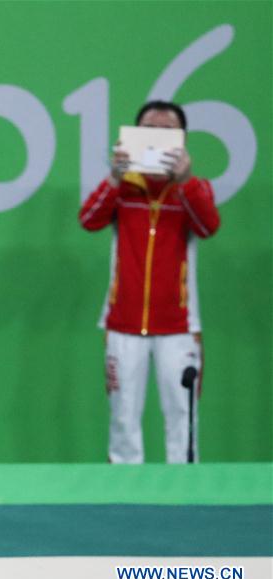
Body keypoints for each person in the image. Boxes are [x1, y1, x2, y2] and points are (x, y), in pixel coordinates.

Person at [79, 100, 220, 464]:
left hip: (180, 327)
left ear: (182, 141)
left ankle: (185, 501)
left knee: (182, 420)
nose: (156, 139)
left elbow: (208, 227)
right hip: (124, 326)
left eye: (166, 132)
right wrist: (114, 179)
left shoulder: (194, 190)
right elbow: (89, 220)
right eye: (148, 131)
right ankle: (125, 504)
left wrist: (185, 182)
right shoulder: (123, 188)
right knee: (123, 420)